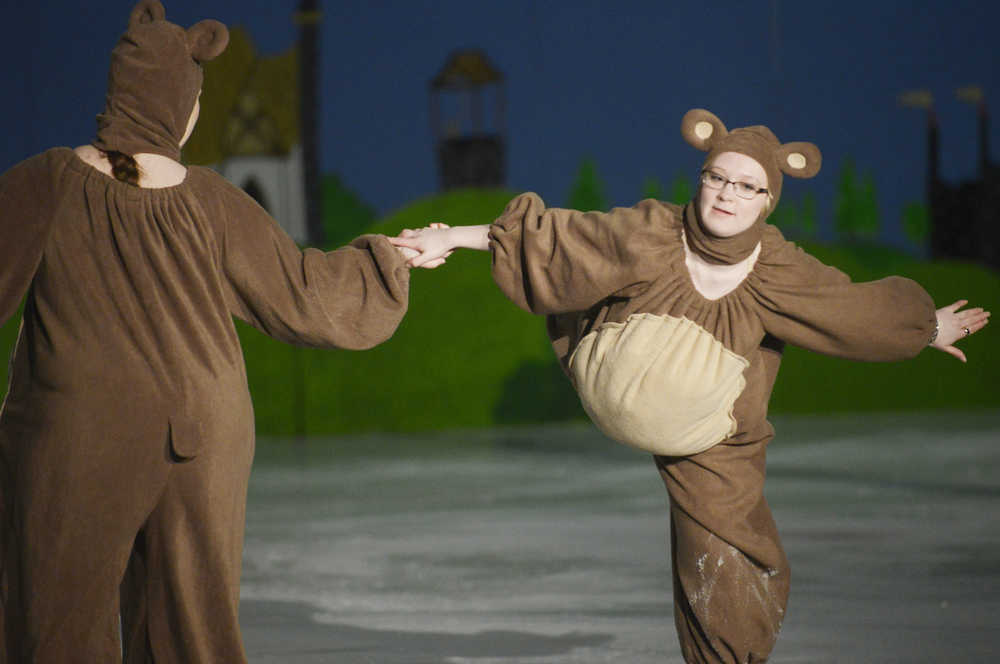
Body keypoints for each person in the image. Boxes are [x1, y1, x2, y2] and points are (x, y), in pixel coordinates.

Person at [389, 107, 990, 663]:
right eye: (717, 178)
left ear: (768, 201)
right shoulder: (653, 230)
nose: (728, 194)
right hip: (605, 360)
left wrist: (926, 327)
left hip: (710, 435)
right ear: (701, 178)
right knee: (582, 268)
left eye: (747, 186)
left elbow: (850, 309)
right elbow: (556, 239)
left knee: (733, 563)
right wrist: (449, 238)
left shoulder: (780, 270)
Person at [0, 2, 414, 662]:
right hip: (209, 435)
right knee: (194, 628)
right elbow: (308, 295)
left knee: (59, 619)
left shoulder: (49, 182)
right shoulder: (210, 200)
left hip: (83, 433)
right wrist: (390, 260)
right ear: (182, 107)